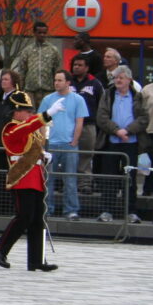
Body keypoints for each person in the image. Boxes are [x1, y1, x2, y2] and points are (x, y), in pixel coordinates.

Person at [0, 91, 63, 271]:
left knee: (37, 220)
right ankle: (1, 248)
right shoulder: (11, 129)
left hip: (35, 177)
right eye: (26, 110)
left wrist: (43, 155)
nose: (30, 113)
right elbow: (27, 129)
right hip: (22, 177)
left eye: (31, 111)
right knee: (24, 217)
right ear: (16, 111)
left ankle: (36, 260)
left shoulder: (30, 129)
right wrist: (47, 114)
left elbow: (34, 144)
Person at [96, 65, 147, 224]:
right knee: (109, 178)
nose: (118, 80)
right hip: (111, 142)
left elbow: (143, 118)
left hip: (131, 143)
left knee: (130, 179)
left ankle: (130, 212)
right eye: (116, 77)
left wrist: (128, 130)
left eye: (121, 77)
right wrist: (117, 131)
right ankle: (107, 211)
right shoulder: (108, 94)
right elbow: (101, 117)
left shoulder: (137, 96)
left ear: (129, 80)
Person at [38, 70, 87, 221]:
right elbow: (41, 121)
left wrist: (75, 140)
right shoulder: (47, 99)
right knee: (48, 179)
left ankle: (71, 210)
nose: (56, 83)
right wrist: (43, 143)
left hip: (69, 145)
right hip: (51, 145)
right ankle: (47, 209)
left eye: (60, 80)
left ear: (68, 83)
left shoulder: (78, 99)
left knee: (70, 179)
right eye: (55, 80)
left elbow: (79, 121)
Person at [69, 54, 106, 192]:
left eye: (80, 65)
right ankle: (69, 183)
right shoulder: (68, 82)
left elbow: (102, 104)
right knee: (69, 155)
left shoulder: (95, 83)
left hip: (88, 124)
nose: (76, 67)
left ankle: (85, 184)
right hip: (70, 124)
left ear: (87, 68)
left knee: (86, 154)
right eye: (75, 65)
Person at [11, 20, 60, 106]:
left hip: (48, 91)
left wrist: (57, 88)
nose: (42, 35)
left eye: (44, 33)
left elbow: (57, 70)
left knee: (46, 113)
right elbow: (22, 71)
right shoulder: (27, 50)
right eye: (39, 32)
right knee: (30, 113)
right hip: (30, 91)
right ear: (34, 33)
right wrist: (20, 89)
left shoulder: (53, 50)